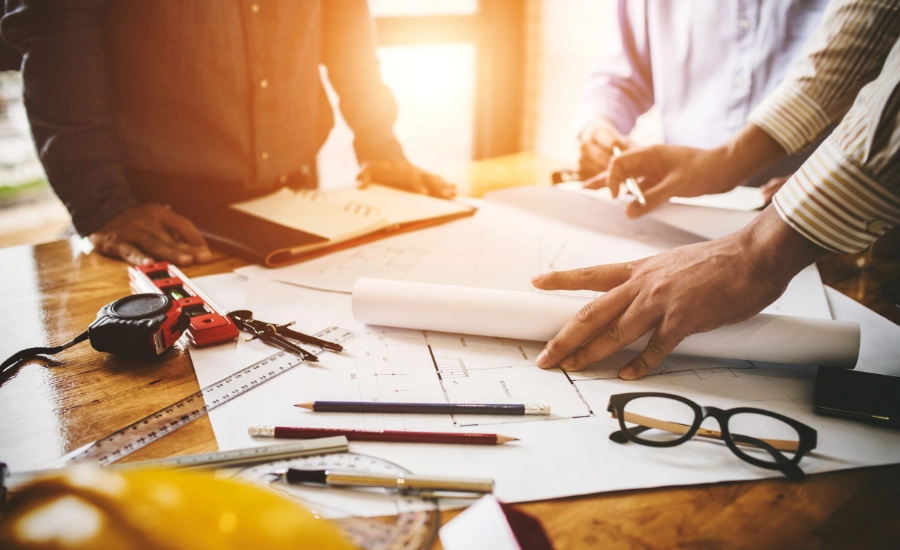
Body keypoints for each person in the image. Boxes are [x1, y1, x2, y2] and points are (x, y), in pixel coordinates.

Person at [534, 0, 900, 380]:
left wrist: (758, 252)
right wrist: (728, 161)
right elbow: (623, 71)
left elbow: (875, 45)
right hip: (690, 214)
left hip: (840, 236)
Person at [0, 1, 455, 266]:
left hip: (296, 197)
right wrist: (102, 205)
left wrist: (380, 144)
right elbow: (54, 32)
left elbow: (344, 17)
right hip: (154, 219)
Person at [576, 0, 829, 200]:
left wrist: (842, 184)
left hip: (813, 216)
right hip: (681, 206)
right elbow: (624, 74)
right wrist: (599, 126)